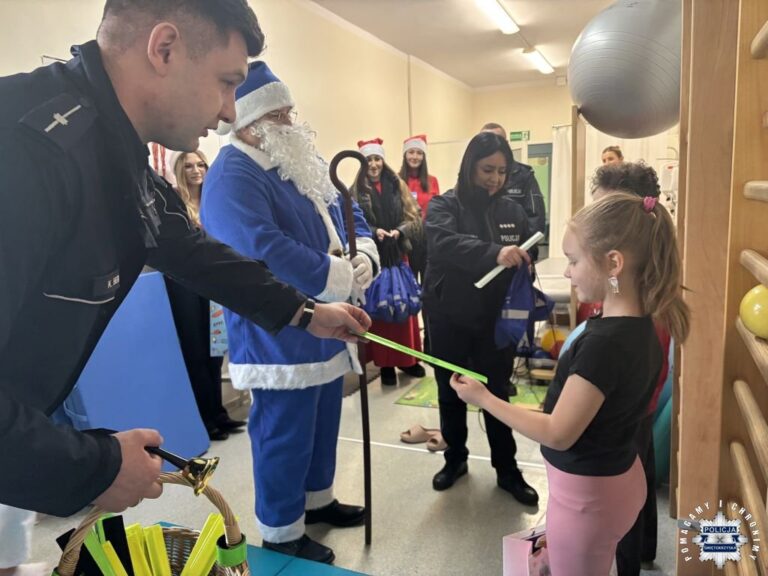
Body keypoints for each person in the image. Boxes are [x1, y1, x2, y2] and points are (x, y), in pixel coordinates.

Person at [0, 0, 370, 520]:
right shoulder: (23, 151)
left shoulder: (114, 149)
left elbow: (193, 254)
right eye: (226, 82)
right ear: (165, 49)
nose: (229, 111)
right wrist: (96, 467)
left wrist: (306, 313)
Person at [449, 192, 690, 576]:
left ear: (613, 263)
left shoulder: (605, 345)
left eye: (574, 260)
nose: (567, 272)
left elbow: (558, 433)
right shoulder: (645, 324)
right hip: (614, 482)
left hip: (588, 499)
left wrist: (485, 398)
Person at [201, 61, 378, 564]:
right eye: (278, 115)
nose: (290, 122)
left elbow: (347, 207)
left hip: (328, 321)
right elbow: (262, 249)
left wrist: (365, 254)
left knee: (322, 420)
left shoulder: (297, 158)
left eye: (289, 112)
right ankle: (281, 530)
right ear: (249, 123)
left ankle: (318, 501)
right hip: (278, 330)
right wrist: (338, 276)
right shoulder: (232, 174)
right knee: (285, 433)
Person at [422, 131, 539, 505]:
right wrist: (494, 253)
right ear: (470, 165)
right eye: (488, 169)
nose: (495, 179)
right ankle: (454, 459)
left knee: (496, 394)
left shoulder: (513, 212)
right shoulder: (444, 206)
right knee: (450, 391)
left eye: (502, 172)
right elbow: (443, 243)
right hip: (448, 316)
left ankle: (507, 470)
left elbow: (525, 250)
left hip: (494, 321)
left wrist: (524, 263)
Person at [164, 149, 246, 441]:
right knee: (195, 351)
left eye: (201, 165)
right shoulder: (174, 201)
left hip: (214, 283)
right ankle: (205, 419)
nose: (196, 170)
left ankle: (219, 414)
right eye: (189, 166)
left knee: (214, 350)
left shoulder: (213, 200)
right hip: (185, 284)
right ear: (179, 169)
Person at [352, 138, 425, 386]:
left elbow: (414, 217)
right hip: (374, 260)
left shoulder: (397, 185)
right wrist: (375, 232)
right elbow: (351, 223)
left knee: (404, 313)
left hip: (399, 256)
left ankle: (409, 361)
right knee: (380, 313)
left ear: (383, 161)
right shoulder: (355, 191)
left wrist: (400, 231)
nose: (373, 164)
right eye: (368, 160)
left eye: (377, 159)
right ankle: (386, 366)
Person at [481, 122, 546, 236]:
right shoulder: (471, 175)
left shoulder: (524, 175)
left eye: (498, 141)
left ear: (506, 144)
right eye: (487, 143)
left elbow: (536, 219)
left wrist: (520, 244)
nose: (495, 179)